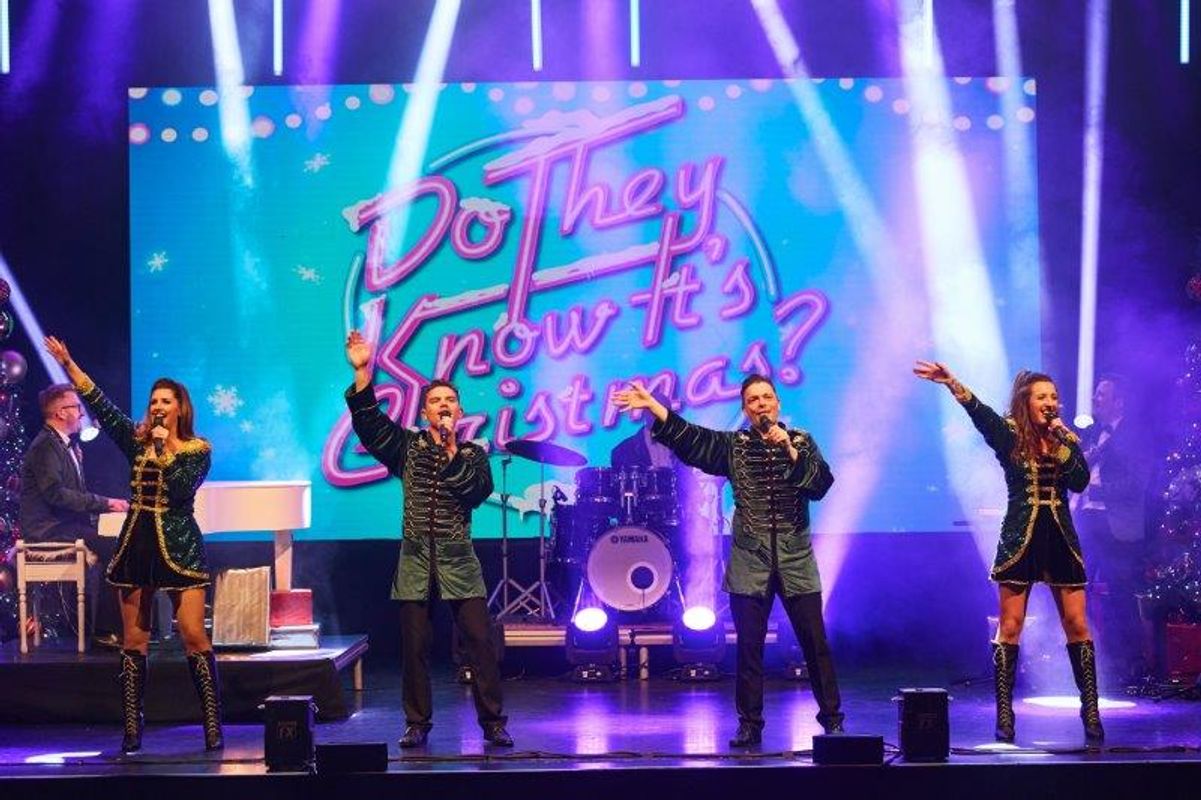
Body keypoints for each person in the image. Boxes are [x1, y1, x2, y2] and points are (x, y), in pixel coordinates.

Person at [613, 374, 843, 747]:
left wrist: (789, 449)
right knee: (749, 648)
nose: (761, 404)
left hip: (796, 559)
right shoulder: (734, 446)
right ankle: (750, 723)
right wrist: (655, 407)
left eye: (766, 397)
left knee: (815, 644)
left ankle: (832, 718)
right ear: (745, 409)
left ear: (778, 403)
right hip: (750, 562)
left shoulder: (801, 441)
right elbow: (692, 440)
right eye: (753, 400)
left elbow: (820, 485)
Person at [44, 336, 223, 753]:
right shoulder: (136, 439)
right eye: (154, 400)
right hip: (136, 543)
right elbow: (102, 405)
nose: (158, 406)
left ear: (180, 408)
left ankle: (213, 725)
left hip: (179, 543)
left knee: (193, 635)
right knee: (134, 640)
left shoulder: (197, 451)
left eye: (166, 401)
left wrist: (163, 449)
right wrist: (69, 363)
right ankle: (132, 728)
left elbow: (181, 489)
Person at [913, 361, 1104, 744]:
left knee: (1077, 624)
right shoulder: (1010, 435)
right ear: (1026, 402)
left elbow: (1081, 482)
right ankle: (1004, 712)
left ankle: (1091, 710)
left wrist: (1062, 441)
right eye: (1042, 396)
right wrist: (953, 383)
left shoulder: (1065, 438)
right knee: (1011, 625)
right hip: (1020, 537)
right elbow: (981, 415)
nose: (1050, 402)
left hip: (1060, 538)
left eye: (1054, 396)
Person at [343, 330, 512, 749]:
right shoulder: (407, 446)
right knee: (415, 646)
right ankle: (417, 722)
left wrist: (451, 451)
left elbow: (475, 493)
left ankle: (493, 722)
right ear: (424, 412)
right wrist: (363, 372)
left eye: (449, 400)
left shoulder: (472, 454)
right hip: (415, 559)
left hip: (459, 559)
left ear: (460, 411)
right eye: (435, 401)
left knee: (480, 641)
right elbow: (370, 425)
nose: (443, 405)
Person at [19, 383, 129, 644]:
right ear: (61, 413)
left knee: (118, 542)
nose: (81, 413)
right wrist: (106, 503)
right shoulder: (45, 446)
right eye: (77, 407)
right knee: (114, 548)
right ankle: (106, 631)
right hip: (48, 529)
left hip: (63, 524)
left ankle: (113, 627)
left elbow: (72, 493)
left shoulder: (63, 445)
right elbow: (56, 494)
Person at [1074, 375, 1152, 679]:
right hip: (1088, 520)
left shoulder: (1135, 435)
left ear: (1119, 402)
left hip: (1116, 525)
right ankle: (1089, 662)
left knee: (1120, 595)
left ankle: (1131, 665)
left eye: (1102, 394)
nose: (1095, 399)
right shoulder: (1093, 432)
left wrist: (1096, 492)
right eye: (1096, 393)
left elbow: (1136, 484)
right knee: (1076, 589)